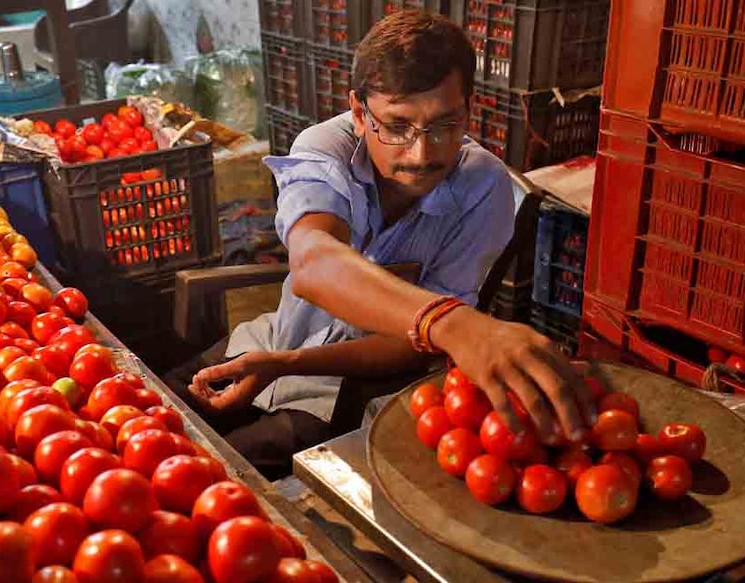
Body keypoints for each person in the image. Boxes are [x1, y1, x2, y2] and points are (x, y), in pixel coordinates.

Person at [166, 10, 596, 480]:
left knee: (214, 475)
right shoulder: (325, 148)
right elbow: (313, 261)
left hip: (352, 385)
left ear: (469, 109)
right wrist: (452, 324)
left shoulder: (482, 188)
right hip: (274, 337)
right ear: (358, 112)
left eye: (444, 125)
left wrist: (290, 366)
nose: (421, 153)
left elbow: (411, 348)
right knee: (154, 412)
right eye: (396, 126)